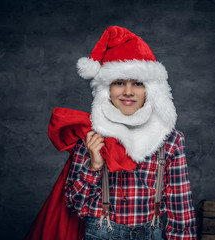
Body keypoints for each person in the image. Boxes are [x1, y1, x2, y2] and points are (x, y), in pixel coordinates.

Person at [64, 26, 197, 240]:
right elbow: (75, 205)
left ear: (151, 90)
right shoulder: (92, 135)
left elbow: (180, 206)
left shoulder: (170, 140)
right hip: (100, 233)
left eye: (137, 83)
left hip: (150, 233)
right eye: (119, 83)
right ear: (106, 89)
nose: (128, 91)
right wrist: (94, 166)